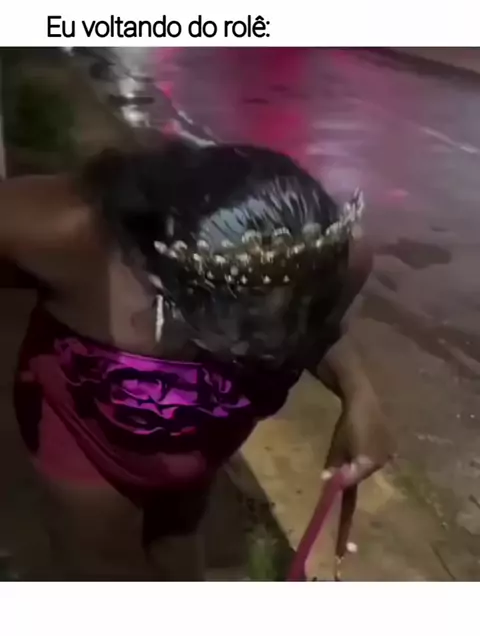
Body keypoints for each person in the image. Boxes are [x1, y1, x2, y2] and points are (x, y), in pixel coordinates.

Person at [2, 139, 390, 579]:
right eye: (236, 338)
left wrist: (359, 395)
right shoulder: (72, 235)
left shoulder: (343, 261)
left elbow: (321, 330)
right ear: (170, 281)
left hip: (208, 442)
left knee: (179, 544)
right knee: (103, 565)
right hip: (88, 433)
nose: (249, 357)